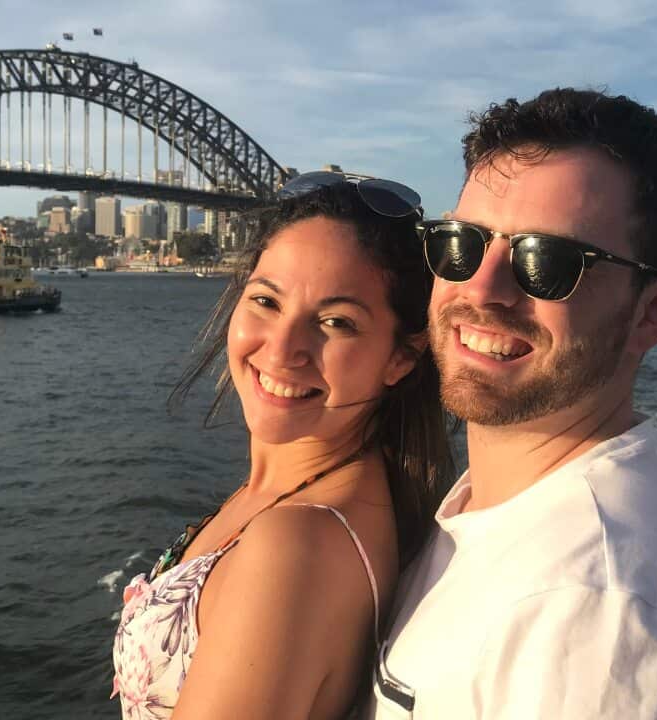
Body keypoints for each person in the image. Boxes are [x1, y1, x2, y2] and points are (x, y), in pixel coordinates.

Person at [366, 88, 657, 718]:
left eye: (548, 261)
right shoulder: (505, 514)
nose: (482, 289)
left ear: (655, 312)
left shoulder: (599, 617)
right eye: (461, 243)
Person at [112, 173, 455, 719]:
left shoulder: (296, 546)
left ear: (402, 357)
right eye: (267, 301)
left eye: (336, 321)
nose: (283, 348)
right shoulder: (298, 492)